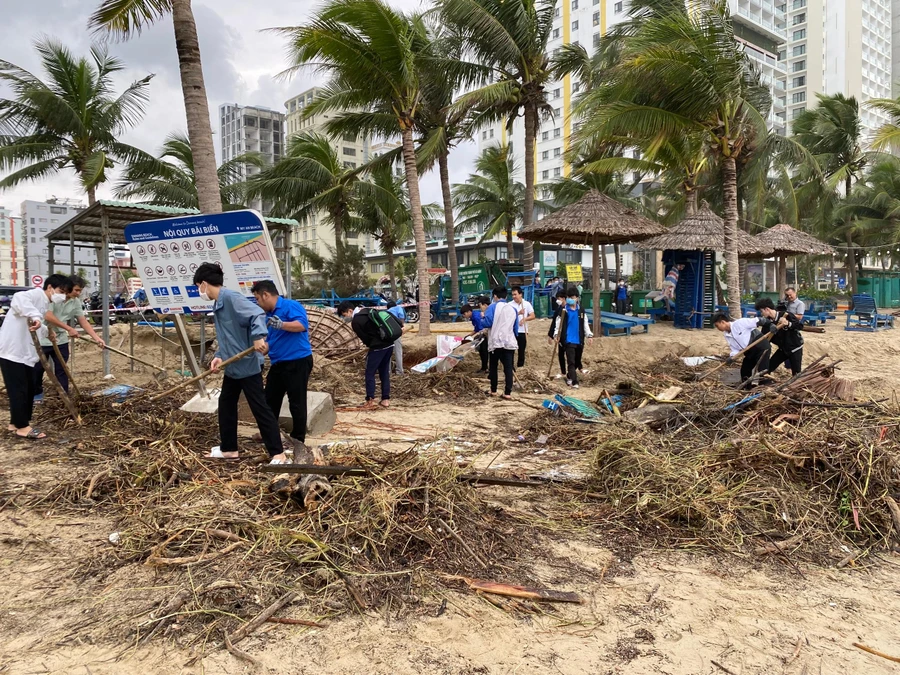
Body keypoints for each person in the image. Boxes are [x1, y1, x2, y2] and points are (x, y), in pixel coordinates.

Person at [193, 262, 284, 464]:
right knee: (226, 404)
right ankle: (229, 449)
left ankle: (278, 454)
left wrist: (259, 336)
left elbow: (257, 314)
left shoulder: (231, 298)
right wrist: (219, 355)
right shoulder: (218, 304)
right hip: (233, 365)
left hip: (248, 364)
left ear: (204, 284)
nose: (199, 291)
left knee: (259, 406)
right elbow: (228, 336)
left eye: (198, 286)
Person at [0, 274, 73, 439]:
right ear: (49, 288)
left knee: (28, 387)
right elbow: (19, 299)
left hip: (23, 353)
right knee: (19, 389)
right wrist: (35, 316)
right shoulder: (34, 295)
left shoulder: (44, 302)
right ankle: (23, 427)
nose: (62, 296)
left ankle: (16, 422)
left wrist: (48, 332)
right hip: (13, 351)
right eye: (61, 291)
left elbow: (37, 324)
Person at [251, 280, 314, 454]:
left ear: (266, 295)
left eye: (258, 298)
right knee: (269, 400)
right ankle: (269, 433)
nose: (258, 303)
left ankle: (298, 439)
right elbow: (272, 341)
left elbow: (302, 325)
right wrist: (260, 351)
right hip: (279, 363)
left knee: (297, 402)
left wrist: (283, 324)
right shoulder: (267, 317)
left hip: (298, 360)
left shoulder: (290, 306)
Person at [33, 275, 105, 403]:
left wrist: (97, 338)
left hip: (61, 339)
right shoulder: (53, 298)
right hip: (43, 338)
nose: (78, 293)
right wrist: (68, 328)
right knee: (38, 368)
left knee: (62, 368)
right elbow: (48, 316)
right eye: (76, 290)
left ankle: (63, 395)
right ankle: (36, 393)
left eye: (80, 291)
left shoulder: (76, 302)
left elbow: (83, 321)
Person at [713, 312, 771, 384]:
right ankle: (746, 388)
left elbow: (759, 320)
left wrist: (770, 325)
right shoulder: (726, 335)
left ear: (723, 322)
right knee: (745, 370)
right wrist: (732, 357)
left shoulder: (740, 323)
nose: (717, 328)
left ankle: (765, 388)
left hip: (760, 346)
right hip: (749, 351)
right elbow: (735, 349)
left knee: (763, 369)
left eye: (717, 325)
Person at [553, 287, 593, 388]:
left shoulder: (581, 310)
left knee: (576, 361)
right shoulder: (563, 311)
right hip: (568, 339)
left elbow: (585, 324)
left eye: (572, 297)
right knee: (571, 361)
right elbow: (558, 325)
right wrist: (556, 335)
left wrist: (589, 335)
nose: (570, 299)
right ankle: (575, 382)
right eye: (569, 297)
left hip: (579, 340)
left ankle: (569, 376)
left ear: (577, 298)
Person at [482, 286, 518, 399]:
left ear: (495, 296)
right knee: (508, 367)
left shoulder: (492, 307)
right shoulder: (513, 309)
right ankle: (507, 392)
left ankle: (493, 390)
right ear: (506, 296)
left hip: (496, 342)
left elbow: (487, 322)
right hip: (509, 341)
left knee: (493, 366)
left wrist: (482, 317)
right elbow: (515, 328)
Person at [755, 297, 803, 375]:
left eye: (761, 311)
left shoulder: (786, 315)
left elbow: (800, 326)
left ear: (767, 309)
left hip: (795, 348)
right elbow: (765, 339)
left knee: (796, 373)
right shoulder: (767, 324)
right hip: (783, 349)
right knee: (768, 368)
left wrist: (788, 323)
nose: (761, 314)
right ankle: (764, 381)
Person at [509, 286, 534, 368]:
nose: (514, 296)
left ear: (520, 294)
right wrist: (518, 313)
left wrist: (525, 319)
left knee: (521, 350)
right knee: (511, 349)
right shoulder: (509, 304)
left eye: (515, 294)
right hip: (512, 331)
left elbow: (533, 316)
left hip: (523, 330)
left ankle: (520, 367)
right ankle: (511, 367)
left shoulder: (526, 304)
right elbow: (508, 317)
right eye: (512, 295)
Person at [461, 300, 488, 373]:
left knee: (483, 352)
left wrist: (475, 337)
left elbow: (481, 329)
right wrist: (469, 335)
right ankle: (484, 367)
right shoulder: (473, 317)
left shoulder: (476, 317)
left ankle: (485, 368)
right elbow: (476, 329)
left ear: (469, 312)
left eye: (464, 314)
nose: (464, 316)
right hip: (482, 334)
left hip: (485, 335)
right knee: (482, 352)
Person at [547, 289, 568, 379]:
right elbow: (554, 323)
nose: (557, 300)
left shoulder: (569, 309)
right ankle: (563, 372)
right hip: (559, 335)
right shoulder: (559, 309)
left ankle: (572, 371)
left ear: (563, 298)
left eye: (559, 298)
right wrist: (551, 335)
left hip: (568, 334)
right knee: (560, 354)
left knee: (569, 354)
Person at [386, 300, 406, 375]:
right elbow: (401, 318)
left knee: (387, 352)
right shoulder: (398, 308)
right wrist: (402, 327)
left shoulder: (386, 312)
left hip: (387, 333)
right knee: (398, 352)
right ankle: (399, 371)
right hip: (396, 332)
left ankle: (388, 372)